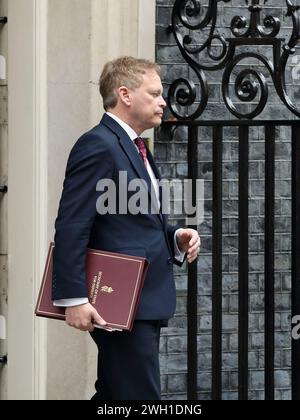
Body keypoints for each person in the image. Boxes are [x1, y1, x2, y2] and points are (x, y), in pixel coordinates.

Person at [52, 56, 200, 400]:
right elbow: (73, 224)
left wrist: (175, 238)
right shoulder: (98, 145)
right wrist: (73, 298)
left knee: (116, 395)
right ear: (125, 94)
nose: (163, 101)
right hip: (119, 303)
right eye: (155, 93)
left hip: (143, 301)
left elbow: (135, 222)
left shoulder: (138, 148)